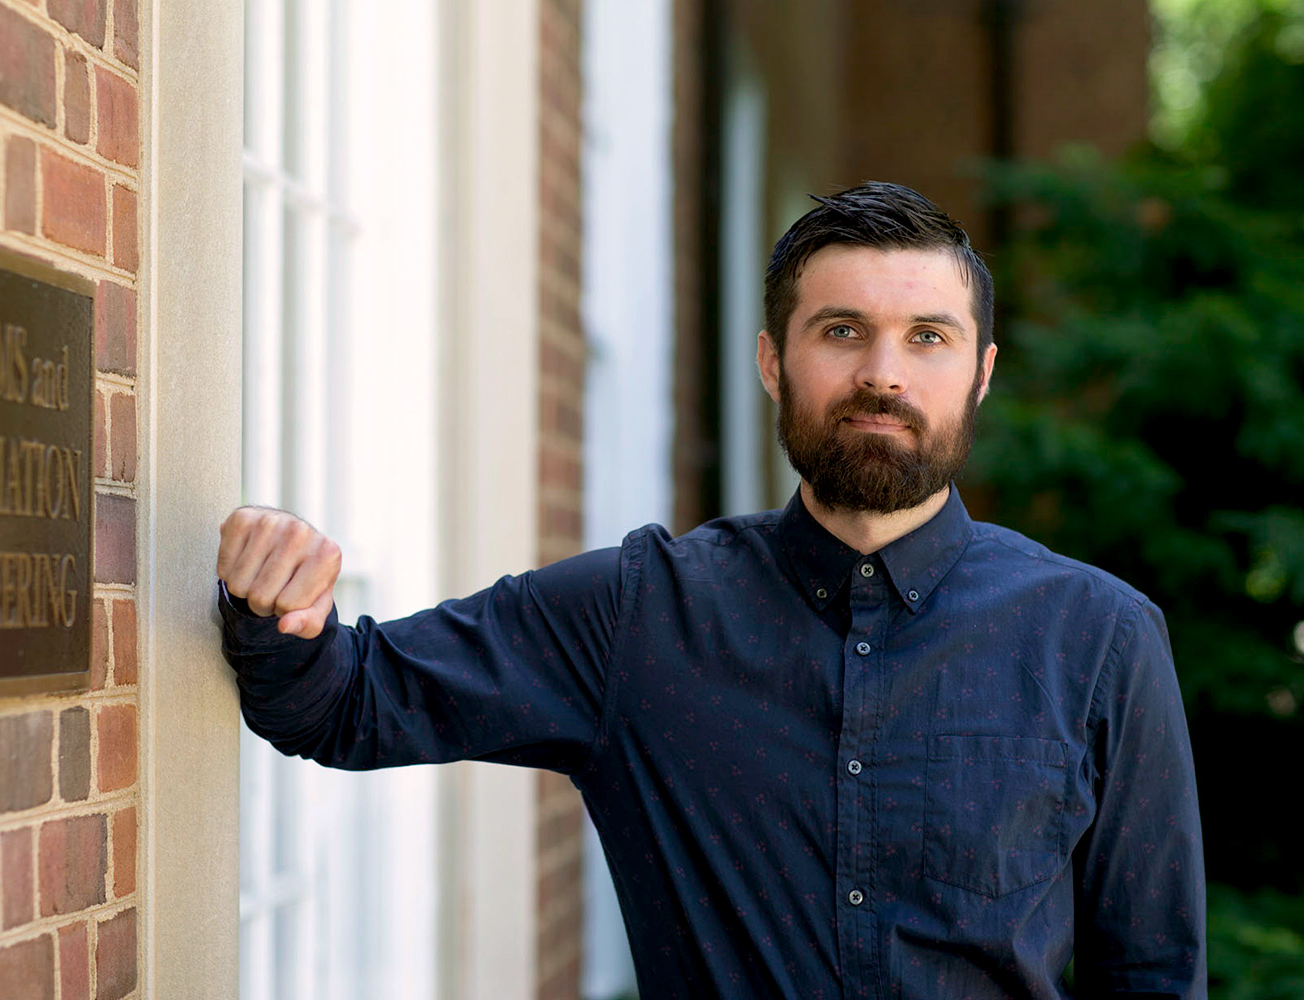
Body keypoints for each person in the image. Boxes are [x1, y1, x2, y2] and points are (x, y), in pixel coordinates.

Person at [216, 182, 1205, 998]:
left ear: (982, 373)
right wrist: (281, 605)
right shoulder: (637, 615)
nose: (882, 373)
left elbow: (1153, 972)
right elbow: (351, 701)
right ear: (774, 362)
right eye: (842, 330)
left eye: (928, 338)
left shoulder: (1100, 638)